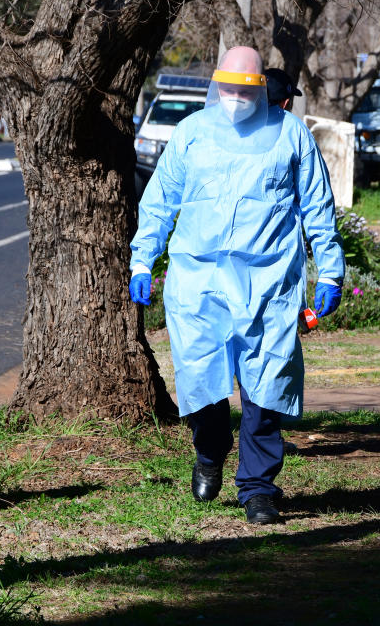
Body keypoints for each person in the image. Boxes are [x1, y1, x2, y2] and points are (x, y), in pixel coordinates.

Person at [128, 47, 344, 524]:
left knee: (266, 382)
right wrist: (142, 259)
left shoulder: (289, 134)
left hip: (269, 279)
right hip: (198, 277)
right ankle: (211, 448)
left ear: (261, 88)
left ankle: (258, 488)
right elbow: (160, 201)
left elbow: (317, 206)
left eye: (244, 90)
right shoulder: (190, 135)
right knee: (200, 379)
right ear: (216, 85)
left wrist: (329, 269)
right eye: (226, 88)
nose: (234, 98)